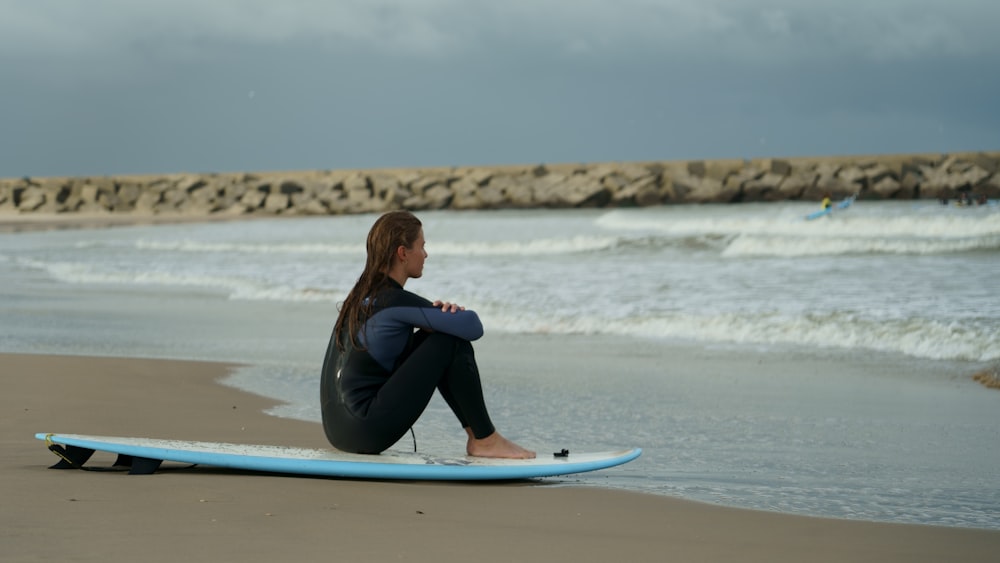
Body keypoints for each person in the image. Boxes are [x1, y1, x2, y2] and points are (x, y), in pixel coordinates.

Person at [320, 210, 535, 459]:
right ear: (402, 253)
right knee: (449, 341)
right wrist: (447, 320)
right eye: (421, 246)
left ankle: (482, 440)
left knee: (437, 337)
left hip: (338, 431)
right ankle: (484, 439)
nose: (425, 254)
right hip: (365, 430)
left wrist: (435, 324)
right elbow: (473, 326)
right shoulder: (392, 300)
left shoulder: (359, 301)